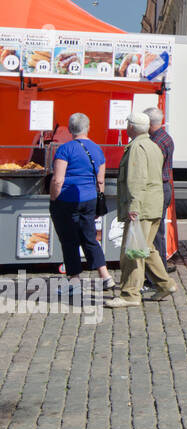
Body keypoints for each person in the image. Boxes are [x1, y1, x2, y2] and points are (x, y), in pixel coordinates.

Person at [105, 114, 178, 307]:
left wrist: (134, 207)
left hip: (143, 207)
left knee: (134, 250)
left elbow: (137, 179)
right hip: (153, 204)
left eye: (127, 124)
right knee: (147, 248)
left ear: (131, 127)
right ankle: (165, 284)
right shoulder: (152, 145)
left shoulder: (137, 147)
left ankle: (130, 294)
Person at [48, 112, 114, 295]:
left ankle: (75, 281)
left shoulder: (65, 149)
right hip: (89, 199)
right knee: (89, 237)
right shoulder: (97, 149)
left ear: (69, 129)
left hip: (66, 201)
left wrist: (54, 198)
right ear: (88, 127)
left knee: (69, 240)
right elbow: (100, 181)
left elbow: (57, 180)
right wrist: (98, 200)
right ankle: (105, 276)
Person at [145, 107, 175, 267]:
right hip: (164, 186)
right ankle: (160, 267)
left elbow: (153, 167)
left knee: (155, 233)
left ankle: (158, 269)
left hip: (158, 188)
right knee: (158, 231)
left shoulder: (156, 141)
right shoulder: (165, 137)